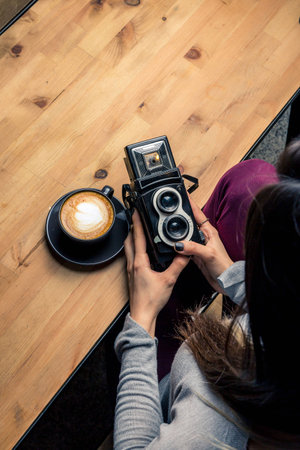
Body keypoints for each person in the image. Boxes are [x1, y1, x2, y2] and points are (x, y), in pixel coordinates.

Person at [113, 138, 300, 449]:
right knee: (248, 180)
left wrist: (142, 322)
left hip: (186, 392)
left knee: (142, 283)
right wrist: (233, 276)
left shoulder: (215, 416)